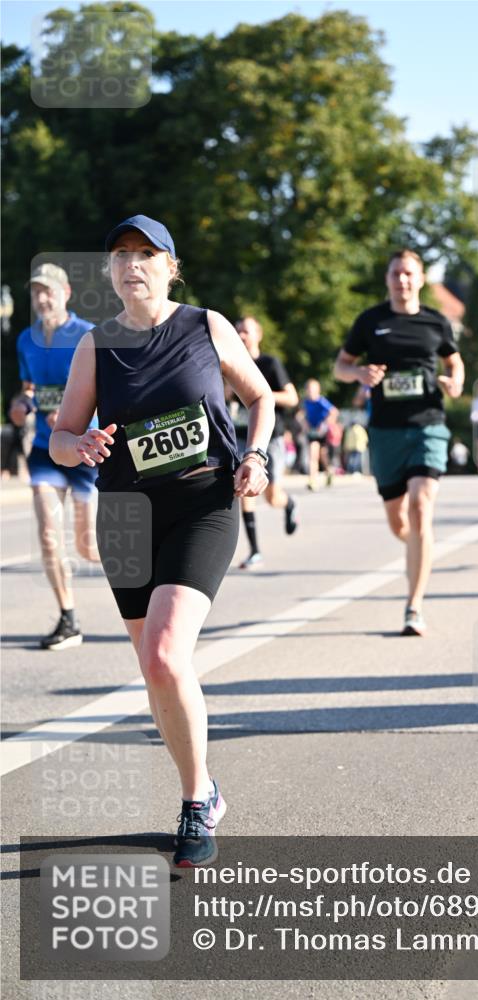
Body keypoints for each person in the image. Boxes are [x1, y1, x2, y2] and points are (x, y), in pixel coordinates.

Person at [49, 215, 274, 867]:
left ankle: (197, 797)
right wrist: (78, 445)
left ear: (170, 266)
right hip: (125, 515)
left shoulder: (206, 326)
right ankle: (201, 781)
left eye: (145, 253)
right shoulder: (97, 346)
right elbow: (61, 438)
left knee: (166, 655)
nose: (131, 264)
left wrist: (256, 458)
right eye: (120, 254)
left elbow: (259, 398)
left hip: (202, 504)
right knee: (153, 668)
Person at [334, 248, 464, 635]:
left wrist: (454, 381)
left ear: (421, 278)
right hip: (385, 431)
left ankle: (414, 605)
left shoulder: (436, 322)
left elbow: (453, 361)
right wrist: (359, 373)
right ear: (388, 279)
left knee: (422, 507)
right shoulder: (371, 321)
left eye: (409, 273)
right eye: (395, 274)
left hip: (428, 424)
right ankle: (418, 548)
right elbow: (339, 367)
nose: (402, 280)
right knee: (399, 521)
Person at [9, 263, 99, 649]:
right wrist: (20, 405)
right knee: (48, 534)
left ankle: (151, 569)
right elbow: (29, 389)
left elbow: (107, 391)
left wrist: (75, 414)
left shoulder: (87, 336)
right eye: (36, 292)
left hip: (84, 449)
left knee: (87, 547)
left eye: (48, 291)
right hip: (46, 449)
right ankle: (68, 618)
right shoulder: (27, 340)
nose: (42, 298)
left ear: (66, 294)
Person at [233, 316, 299, 569]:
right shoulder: (229, 364)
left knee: (272, 497)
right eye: (237, 331)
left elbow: (292, 398)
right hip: (239, 435)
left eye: (246, 331)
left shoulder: (269, 363)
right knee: (243, 489)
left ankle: (288, 503)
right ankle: (255, 550)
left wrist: (256, 393)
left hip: (270, 436)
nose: (241, 336)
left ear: (258, 335)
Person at [299, 378, 338, 490]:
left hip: (322, 432)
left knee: (323, 456)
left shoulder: (321, 401)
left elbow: (334, 412)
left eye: (313, 390)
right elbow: (300, 414)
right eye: (309, 390)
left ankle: (329, 472)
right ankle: (312, 480)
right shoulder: (305, 402)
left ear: (318, 390)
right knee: (313, 454)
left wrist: (324, 424)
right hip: (312, 432)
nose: (310, 392)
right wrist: (304, 423)